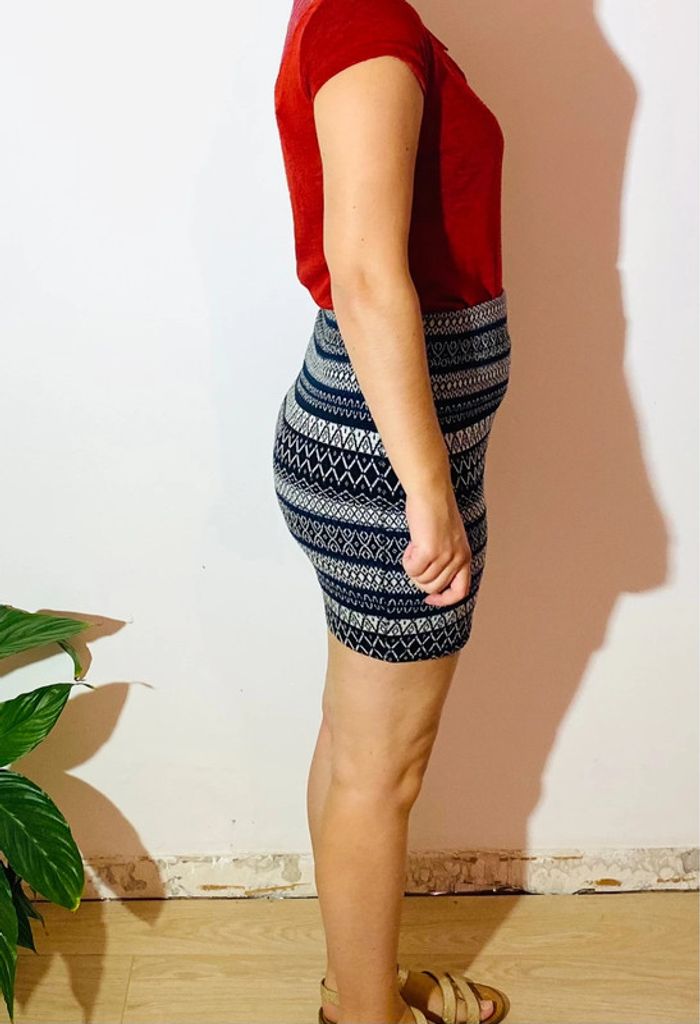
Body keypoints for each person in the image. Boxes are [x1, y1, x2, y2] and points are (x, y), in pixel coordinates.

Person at [272, 0, 512, 1021]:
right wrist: (427, 489)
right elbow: (367, 275)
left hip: (380, 441)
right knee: (383, 770)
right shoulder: (365, 19)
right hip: (388, 458)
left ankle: (357, 985)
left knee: (357, 749)